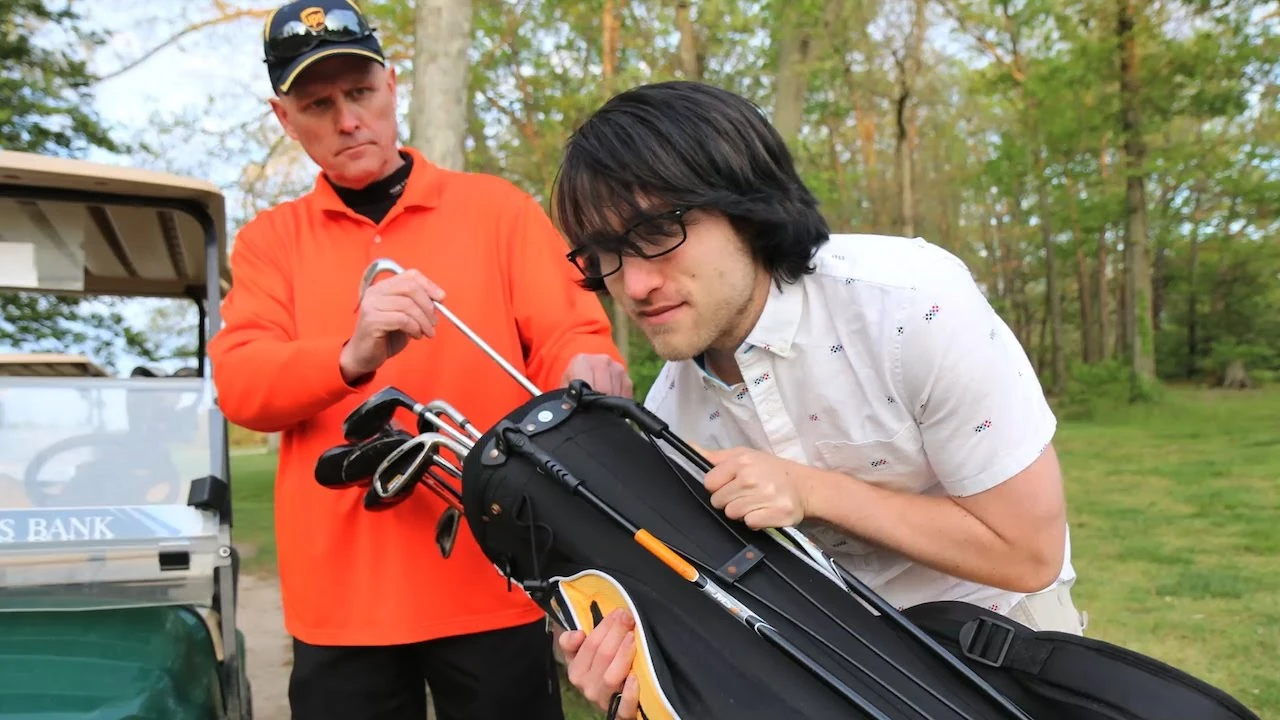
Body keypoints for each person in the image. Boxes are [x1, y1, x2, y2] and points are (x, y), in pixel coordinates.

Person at [546, 80, 1086, 717]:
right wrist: (633, 673)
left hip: (1008, 650)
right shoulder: (669, 422)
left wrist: (812, 491)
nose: (634, 284)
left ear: (747, 206)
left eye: (659, 230)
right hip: (836, 679)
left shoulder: (912, 306)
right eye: (605, 253)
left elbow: (1027, 553)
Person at [207, 2, 630, 718]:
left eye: (361, 92)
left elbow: (568, 333)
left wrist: (588, 364)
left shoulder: (497, 210)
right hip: (343, 606)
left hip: (496, 573)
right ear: (285, 119)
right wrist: (351, 354)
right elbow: (242, 387)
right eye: (318, 105)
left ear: (392, 85)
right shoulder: (270, 243)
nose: (348, 120)